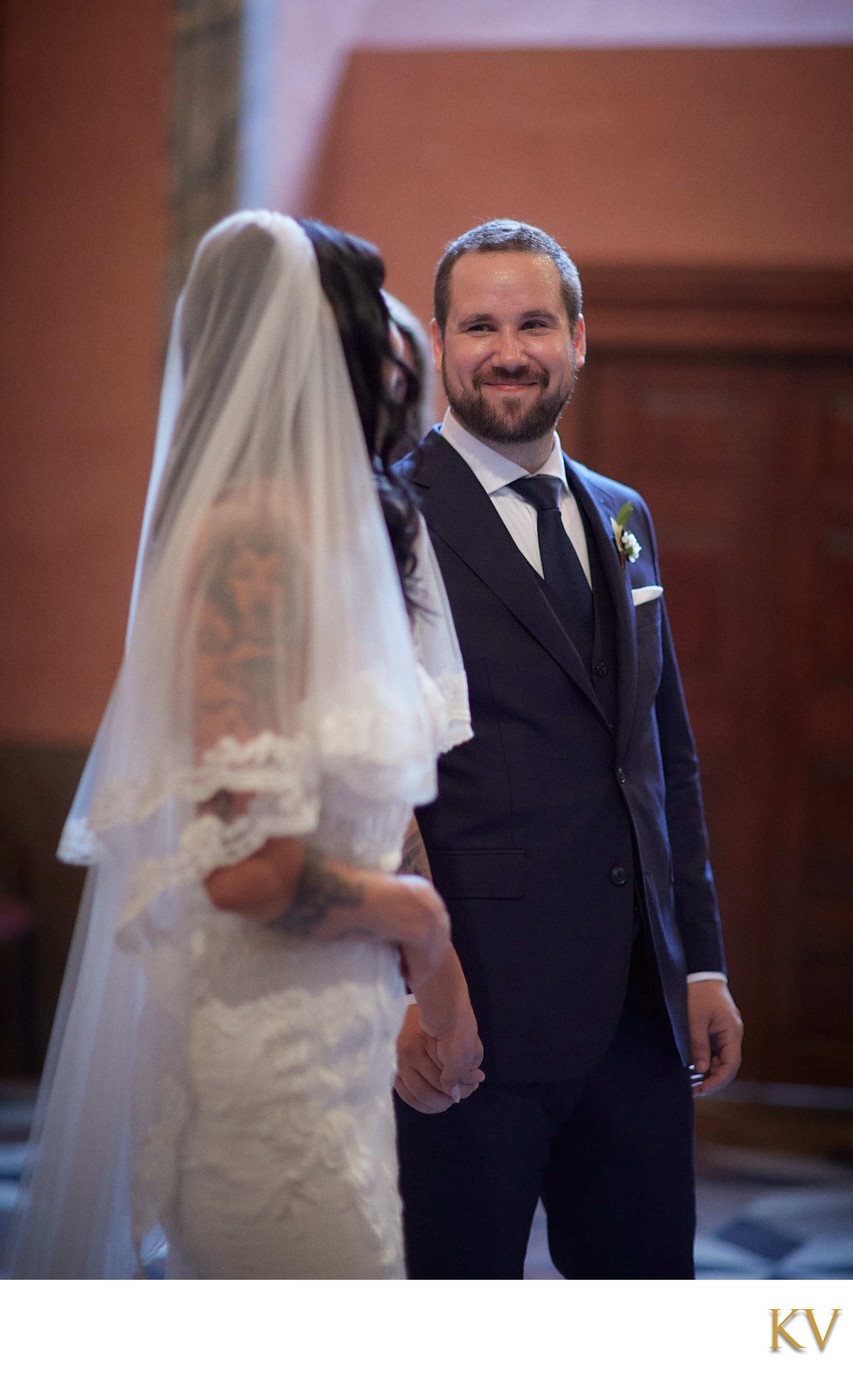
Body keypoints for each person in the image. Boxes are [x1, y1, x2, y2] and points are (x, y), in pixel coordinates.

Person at [6, 211, 481, 1280]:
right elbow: (240, 869)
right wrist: (420, 920)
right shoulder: (251, 546)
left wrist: (430, 977)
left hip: (341, 1034)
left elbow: (366, 795)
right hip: (269, 1062)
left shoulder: (333, 535)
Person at [393, 219, 743, 1279]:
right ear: (442, 342)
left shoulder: (622, 513)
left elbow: (659, 754)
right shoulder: (393, 514)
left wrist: (703, 958)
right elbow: (371, 776)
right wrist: (416, 988)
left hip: (638, 1012)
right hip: (473, 1012)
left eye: (534, 322)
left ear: (579, 337)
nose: (509, 349)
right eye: (480, 325)